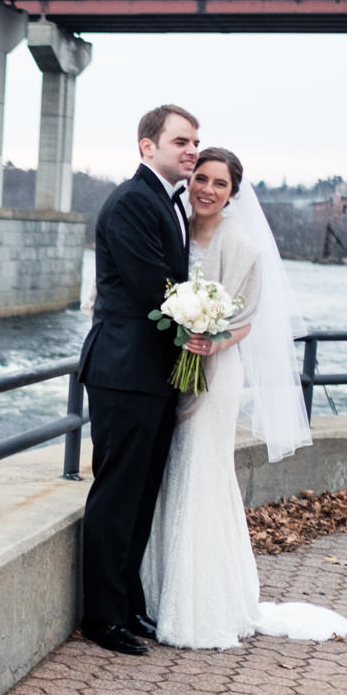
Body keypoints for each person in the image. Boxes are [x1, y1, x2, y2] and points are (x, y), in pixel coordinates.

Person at [140, 147, 347, 648]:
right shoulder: (174, 228)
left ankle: (201, 607)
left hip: (215, 374)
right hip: (175, 372)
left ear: (233, 193)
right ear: (189, 180)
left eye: (220, 184)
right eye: (201, 178)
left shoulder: (242, 246)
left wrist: (210, 338)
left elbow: (248, 319)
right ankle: (157, 595)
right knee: (172, 476)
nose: (207, 190)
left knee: (201, 474)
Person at [76, 104, 199, 656]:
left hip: (153, 374)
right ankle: (101, 618)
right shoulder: (130, 202)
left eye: (195, 141)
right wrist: (201, 318)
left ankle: (127, 603)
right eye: (180, 141)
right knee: (117, 493)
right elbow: (156, 287)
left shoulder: (167, 203)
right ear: (147, 146)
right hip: (124, 372)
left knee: (142, 494)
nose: (191, 150)